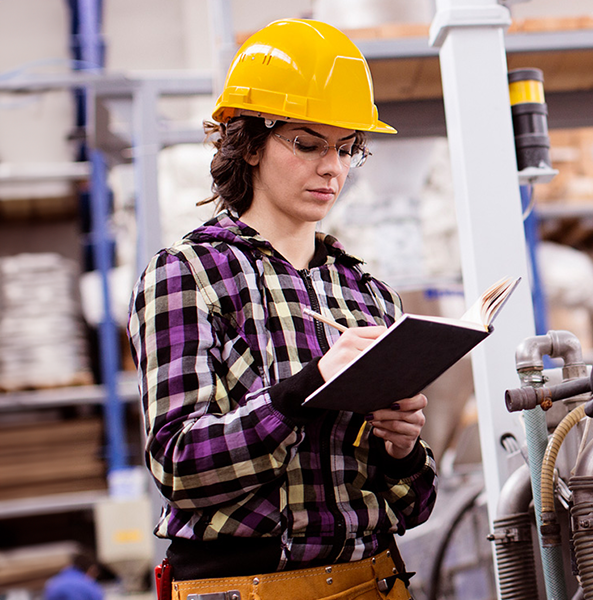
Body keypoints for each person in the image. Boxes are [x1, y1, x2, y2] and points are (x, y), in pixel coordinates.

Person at [128, 18, 437, 600]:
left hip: (372, 580)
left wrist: (401, 452)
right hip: (244, 586)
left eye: (347, 148)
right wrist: (305, 390)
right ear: (248, 144)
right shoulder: (186, 277)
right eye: (307, 143)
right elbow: (178, 466)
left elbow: (416, 505)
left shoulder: (368, 294)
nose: (332, 168)